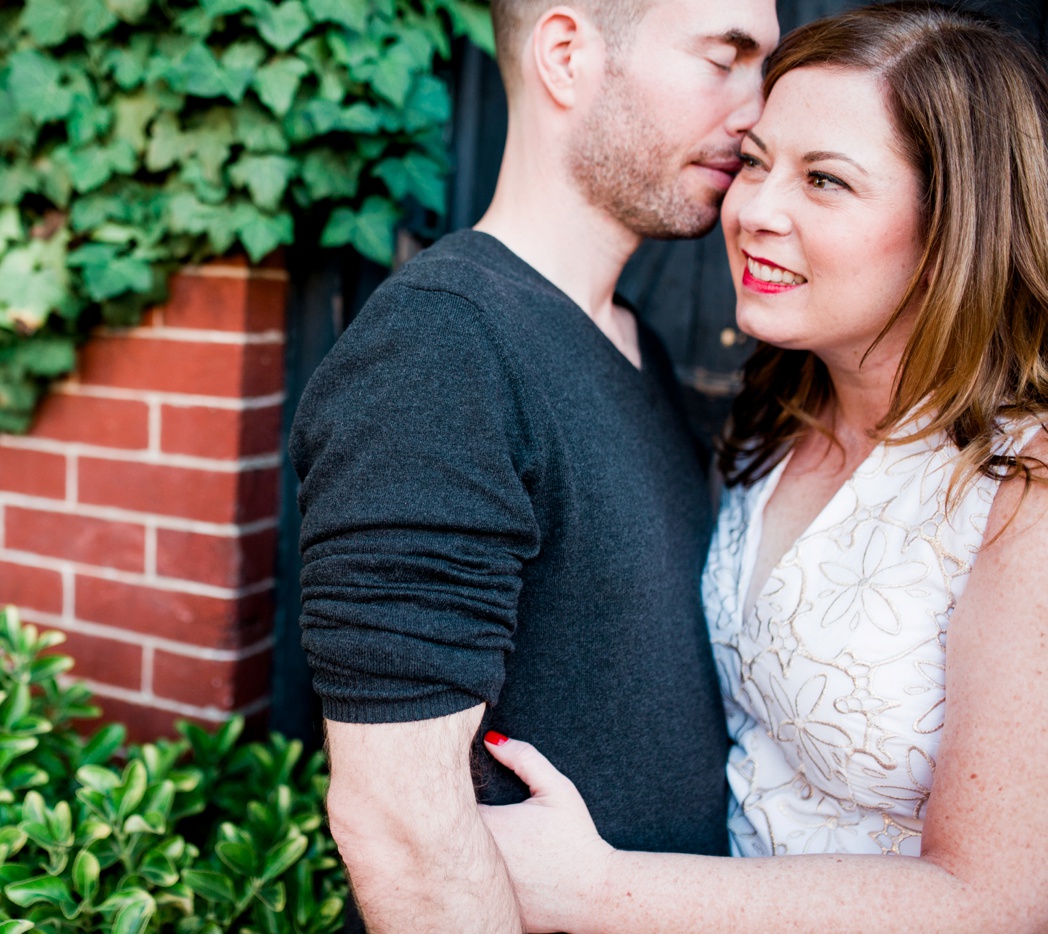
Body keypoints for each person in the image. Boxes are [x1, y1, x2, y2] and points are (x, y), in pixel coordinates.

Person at [477, 3, 1048, 931]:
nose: (753, 212)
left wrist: (594, 887)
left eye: (824, 180)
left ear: (956, 223)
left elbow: (998, 902)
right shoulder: (776, 421)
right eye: (755, 162)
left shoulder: (1019, 488)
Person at [288, 0, 779, 930]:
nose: (758, 111)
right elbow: (400, 825)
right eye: (726, 58)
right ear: (565, 53)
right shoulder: (443, 346)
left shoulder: (638, 347)